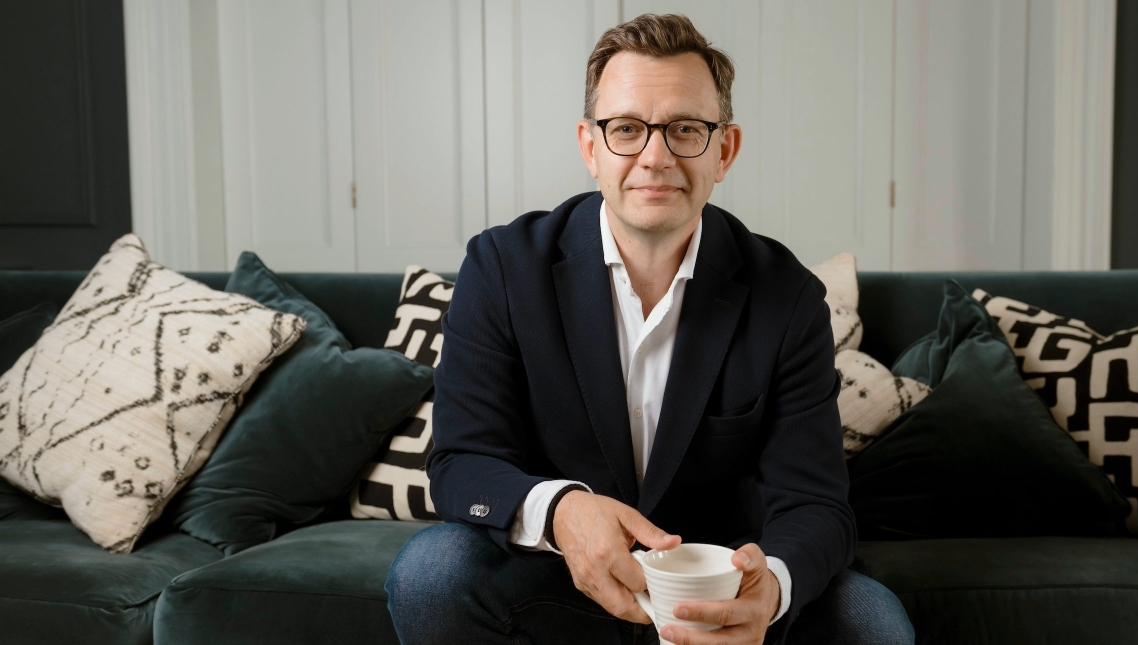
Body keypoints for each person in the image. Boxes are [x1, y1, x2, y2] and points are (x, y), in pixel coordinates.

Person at [386, 13, 914, 645]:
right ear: (589, 147)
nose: (655, 156)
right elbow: (462, 462)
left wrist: (769, 590)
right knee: (432, 573)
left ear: (725, 150)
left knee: (872, 622)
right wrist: (561, 510)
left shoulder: (788, 297)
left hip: (722, 593)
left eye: (686, 129)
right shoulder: (502, 268)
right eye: (627, 129)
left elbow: (816, 503)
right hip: (561, 581)